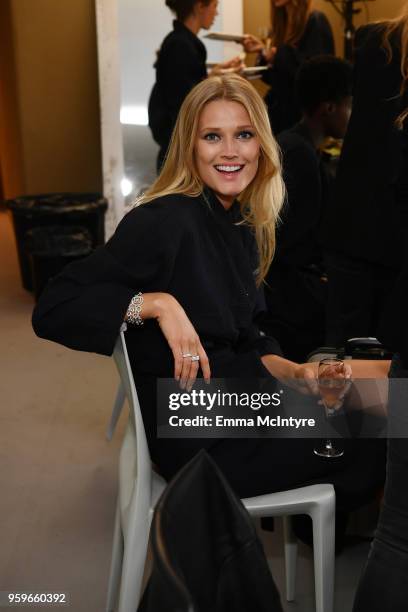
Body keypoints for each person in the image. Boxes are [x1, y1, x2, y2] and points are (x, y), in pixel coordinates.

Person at [32, 75, 385, 519]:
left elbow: (250, 336)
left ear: (261, 144)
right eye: (212, 137)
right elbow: (54, 305)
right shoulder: (163, 221)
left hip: (235, 401)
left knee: (383, 397)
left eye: (244, 135)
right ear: (189, 146)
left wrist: (293, 371)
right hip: (199, 427)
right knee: (381, 427)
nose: (231, 151)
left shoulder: (236, 219)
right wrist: (155, 303)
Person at [321, 5, 408, 347]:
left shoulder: (372, 40)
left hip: (353, 224)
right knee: (386, 368)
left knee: (348, 359)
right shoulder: (376, 43)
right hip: (390, 237)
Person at [262, 55, 353, 362]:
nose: (351, 114)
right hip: (288, 302)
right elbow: (293, 240)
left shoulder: (291, 143)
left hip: (282, 290)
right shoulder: (299, 156)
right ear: (329, 107)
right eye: (348, 105)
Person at [148, 0, 243, 170]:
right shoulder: (180, 45)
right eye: (214, 6)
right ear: (200, 6)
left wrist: (213, 76)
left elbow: (185, 89)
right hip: (180, 156)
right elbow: (184, 103)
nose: (217, 13)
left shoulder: (180, 43)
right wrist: (214, 81)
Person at [242, 0, 334, 134]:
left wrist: (274, 56)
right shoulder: (282, 25)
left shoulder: (316, 21)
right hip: (280, 121)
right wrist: (263, 52)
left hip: (302, 122)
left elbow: (316, 76)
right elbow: (277, 78)